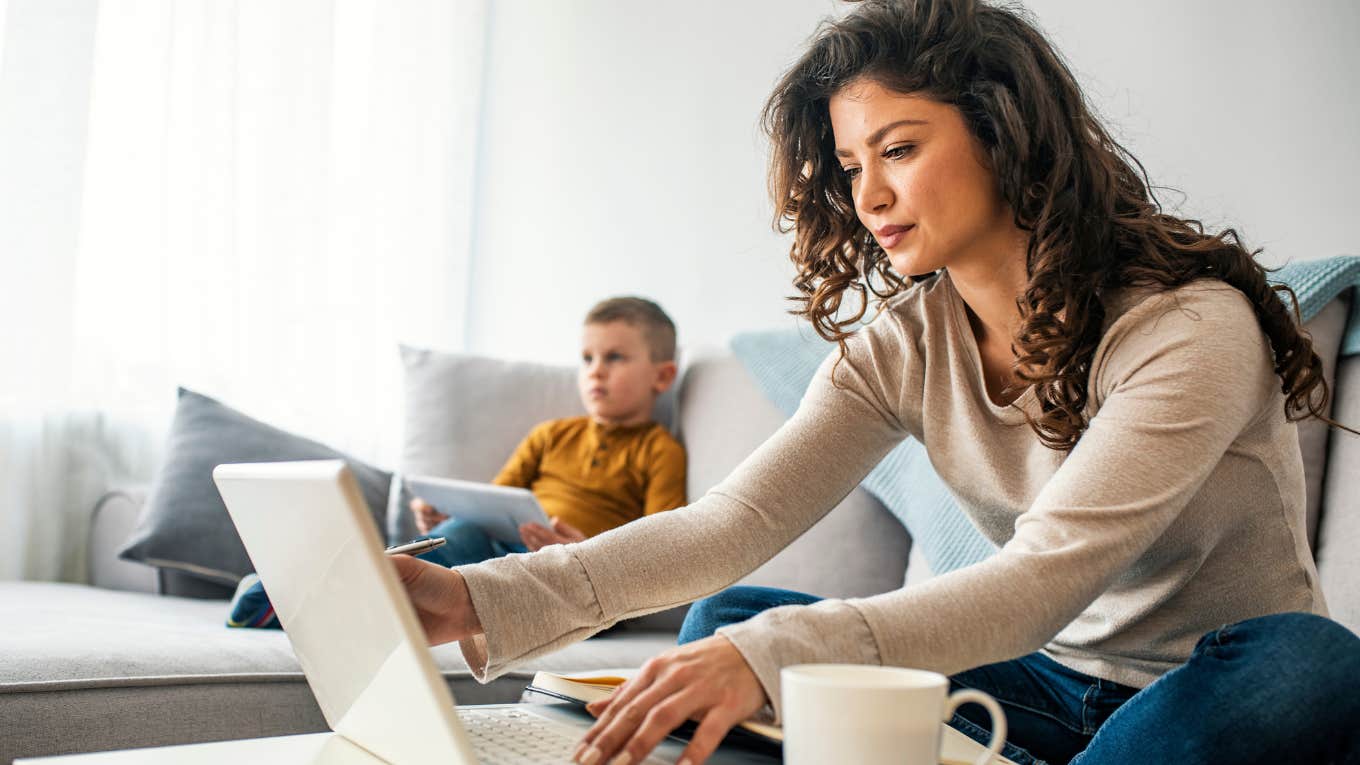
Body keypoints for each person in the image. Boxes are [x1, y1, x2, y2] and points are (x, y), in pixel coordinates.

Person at [389, 1, 1360, 763]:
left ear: (1005, 135)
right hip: (1045, 686)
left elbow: (1039, 580)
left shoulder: (1187, 328)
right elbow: (729, 526)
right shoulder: (905, 346)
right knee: (734, 622)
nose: (869, 196)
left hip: (1212, 684)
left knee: (1313, 669)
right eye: (852, 165)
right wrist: (477, 597)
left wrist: (771, 663)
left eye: (899, 149)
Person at [226, 296, 687, 629]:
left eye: (614, 358)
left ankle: (297, 600)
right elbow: (498, 499)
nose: (595, 371)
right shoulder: (552, 434)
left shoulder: (660, 451)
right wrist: (450, 511)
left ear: (662, 375)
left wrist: (586, 550)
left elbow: (660, 543)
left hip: (574, 570)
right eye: (587, 358)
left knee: (474, 574)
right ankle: (298, 594)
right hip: (496, 541)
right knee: (454, 536)